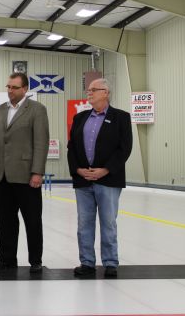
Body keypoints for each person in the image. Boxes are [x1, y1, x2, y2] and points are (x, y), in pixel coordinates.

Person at [67, 78, 132, 278]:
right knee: (84, 223)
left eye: (94, 90)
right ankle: (87, 262)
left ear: (106, 93)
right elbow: (72, 149)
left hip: (108, 180)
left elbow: (124, 149)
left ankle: (111, 262)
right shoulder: (81, 118)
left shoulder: (121, 117)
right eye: (88, 90)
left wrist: (105, 170)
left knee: (108, 222)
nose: (89, 93)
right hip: (83, 180)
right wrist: (77, 170)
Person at [0, 72, 49, 273]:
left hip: (26, 176)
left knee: (32, 220)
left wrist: (37, 172)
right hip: (3, 175)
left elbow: (41, 143)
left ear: (24, 89)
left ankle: (35, 260)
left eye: (14, 87)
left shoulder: (37, 110)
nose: (10, 91)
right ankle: (6, 258)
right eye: (8, 87)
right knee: (5, 221)